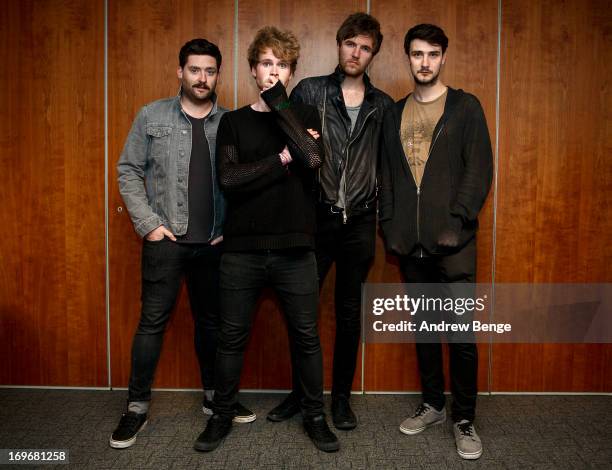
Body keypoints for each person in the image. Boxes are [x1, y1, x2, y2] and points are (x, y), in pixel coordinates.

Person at [193, 26, 339, 453]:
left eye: (282, 65)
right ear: (254, 69)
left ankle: (315, 415)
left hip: (296, 250)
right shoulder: (233, 122)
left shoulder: (305, 117)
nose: (273, 71)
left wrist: (281, 107)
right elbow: (230, 178)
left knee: (306, 337)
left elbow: (313, 159)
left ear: (290, 71)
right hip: (243, 252)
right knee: (231, 337)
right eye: (266, 64)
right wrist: (281, 157)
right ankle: (221, 416)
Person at [111, 38, 254, 449]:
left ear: (217, 75)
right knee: (152, 324)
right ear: (181, 72)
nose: (202, 78)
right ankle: (136, 407)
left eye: (210, 71)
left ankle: (215, 398)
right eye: (195, 70)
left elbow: (244, 182)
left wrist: (233, 228)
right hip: (166, 241)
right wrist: (149, 224)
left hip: (213, 244)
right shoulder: (151, 116)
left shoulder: (230, 122)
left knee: (212, 324)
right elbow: (127, 171)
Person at [267, 12, 393, 431]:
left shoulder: (382, 106)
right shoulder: (311, 90)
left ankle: (340, 399)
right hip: (316, 220)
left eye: (365, 47)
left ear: (372, 54)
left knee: (348, 313)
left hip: (359, 222)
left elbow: (389, 168)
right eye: (350, 44)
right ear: (339, 45)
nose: (356, 53)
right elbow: (285, 139)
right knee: (303, 312)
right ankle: (299, 395)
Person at [379, 24, 493, 460]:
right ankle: (433, 404)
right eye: (416, 54)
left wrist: (458, 220)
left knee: (460, 335)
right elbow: (387, 176)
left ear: (443, 57)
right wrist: (389, 226)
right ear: (407, 58)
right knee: (426, 331)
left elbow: (478, 169)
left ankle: (464, 418)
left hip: (455, 244)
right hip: (411, 245)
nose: (424, 62)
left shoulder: (465, 107)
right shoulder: (393, 113)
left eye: (432, 54)